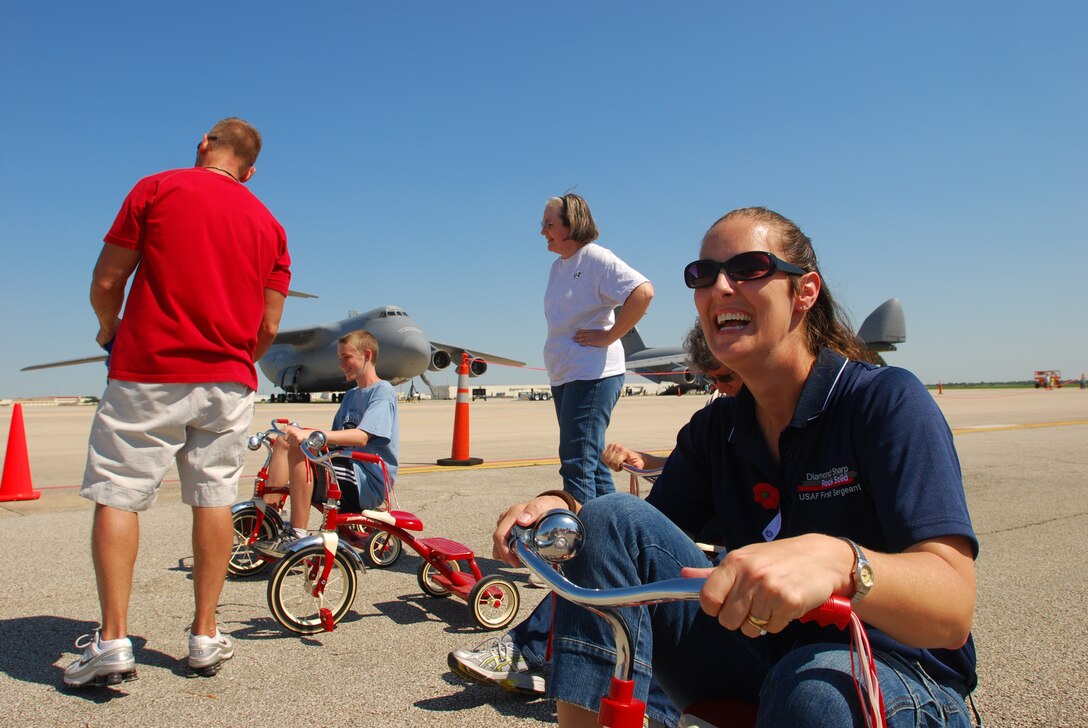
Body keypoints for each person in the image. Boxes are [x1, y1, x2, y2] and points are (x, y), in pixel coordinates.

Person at [492, 206, 978, 727]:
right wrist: (562, 509)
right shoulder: (716, 430)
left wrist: (841, 562)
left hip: (894, 669)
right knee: (607, 519)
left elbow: (951, 611)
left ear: (805, 291)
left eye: (749, 268)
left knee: (813, 693)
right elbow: (637, 540)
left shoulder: (884, 401)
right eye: (703, 275)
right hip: (761, 652)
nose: (720, 286)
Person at [64, 118, 291, 688]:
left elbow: (108, 279)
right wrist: (239, 356)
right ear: (251, 170)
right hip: (230, 380)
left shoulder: (156, 188)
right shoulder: (270, 225)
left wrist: (107, 329)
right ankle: (205, 635)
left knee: (119, 491)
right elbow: (268, 323)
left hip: (150, 369)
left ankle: (113, 640)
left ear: (203, 146)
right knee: (214, 496)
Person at [449, 193, 654, 695]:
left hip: (592, 374)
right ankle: (608, 543)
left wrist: (612, 338)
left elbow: (644, 292)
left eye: (548, 223)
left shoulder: (596, 260)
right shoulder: (562, 266)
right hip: (568, 376)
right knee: (588, 468)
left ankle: (585, 557)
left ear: (572, 224)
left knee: (578, 464)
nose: (541, 230)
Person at [255, 329, 399, 556]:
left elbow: (361, 437)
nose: (341, 363)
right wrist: (301, 433)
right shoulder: (351, 395)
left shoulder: (382, 392)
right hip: (346, 468)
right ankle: (269, 522)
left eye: (346, 357)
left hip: (366, 479)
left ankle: (297, 534)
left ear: (367, 355)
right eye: (339, 358)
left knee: (301, 452)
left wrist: (309, 435)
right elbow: (333, 439)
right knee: (284, 442)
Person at [601, 321, 742, 475]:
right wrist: (644, 460)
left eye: (727, 377)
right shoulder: (713, 416)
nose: (719, 387)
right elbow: (692, 464)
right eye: (710, 379)